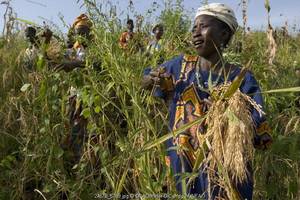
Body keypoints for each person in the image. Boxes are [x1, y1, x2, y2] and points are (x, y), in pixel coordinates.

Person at [141, 3, 272, 199]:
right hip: (183, 176)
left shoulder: (241, 79)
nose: (195, 33)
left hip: (227, 182)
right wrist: (150, 80)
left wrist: (228, 116)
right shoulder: (179, 67)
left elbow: (261, 138)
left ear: (224, 34)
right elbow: (145, 81)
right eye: (194, 28)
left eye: (203, 26)